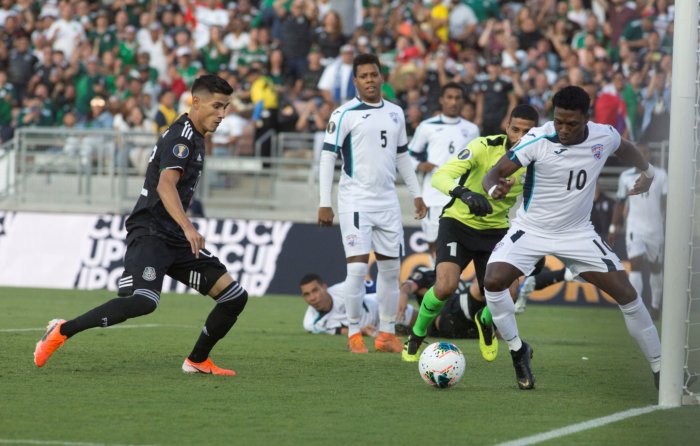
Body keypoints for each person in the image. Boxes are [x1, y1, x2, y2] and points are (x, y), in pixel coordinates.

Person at [34, 75, 248, 376]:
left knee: (234, 297)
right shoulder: (182, 138)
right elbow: (165, 185)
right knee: (144, 302)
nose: (223, 115)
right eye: (217, 106)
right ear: (196, 102)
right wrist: (188, 227)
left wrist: (181, 229)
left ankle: (197, 360)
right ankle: (62, 330)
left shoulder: (195, 133)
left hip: (172, 235)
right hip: (151, 232)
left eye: (226, 107)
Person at [482, 85, 661, 390]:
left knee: (627, 294)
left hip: (578, 233)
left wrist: (648, 171)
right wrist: (492, 189)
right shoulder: (538, 139)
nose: (563, 129)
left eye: (572, 124)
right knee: (493, 281)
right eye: (559, 121)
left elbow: (626, 147)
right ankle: (517, 351)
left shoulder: (603, 135)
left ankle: (661, 370)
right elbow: (495, 172)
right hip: (531, 230)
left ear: (586, 118)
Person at [402, 104, 539, 364]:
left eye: (528, 131)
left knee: (509, 294)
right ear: (506, 127)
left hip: (497, 230)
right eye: (515, 129)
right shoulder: (483, 147)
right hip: (458, 222)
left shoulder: (537, 160)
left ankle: (484, 321)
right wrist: (465, 193)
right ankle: (417, 335)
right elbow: (441, 176)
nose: (520, 137)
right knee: (445, 286)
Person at [318, 53, 427, 354]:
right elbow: (328, 157)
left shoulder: (395, 113)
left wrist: (416, 192)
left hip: (388, 202)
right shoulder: (344, 114)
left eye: (373, 75)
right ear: (355, 81)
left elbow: (403, 155)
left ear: (382, 77)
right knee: (356, 271)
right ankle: (354, 332)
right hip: (355, 201)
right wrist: (324, 201)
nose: (369, 80)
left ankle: (386, 334)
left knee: (391, 272)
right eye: (363, 76)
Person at [409, 82, 480, 260]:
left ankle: (450, 281)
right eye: (449, 97)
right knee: (433, 242)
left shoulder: (471, 130)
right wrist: (420, 165)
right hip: (434, 195)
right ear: (441, 100)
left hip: (461, 197)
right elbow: (408, 156)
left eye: (457, 98)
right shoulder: (426, 126)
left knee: (458, 245)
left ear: (463, 101)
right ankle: (436, 278)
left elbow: (479, 161)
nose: (453, 102)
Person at [610, 143, 668, 320]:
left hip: (655, 229)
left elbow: (665, 202)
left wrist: (665, 224)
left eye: (645, 152)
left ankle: (656, 306)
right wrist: (613, 227)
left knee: (656, 268)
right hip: (634, 228)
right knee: (635, 264)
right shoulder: (625, 177)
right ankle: (638, 309)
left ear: (650, 155)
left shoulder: (661, 175)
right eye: (639, 152)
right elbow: (620, 203)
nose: (642, 154)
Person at [300, 273, 416, 336]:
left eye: (315, 291)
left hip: (380, 308)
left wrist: (397, 296)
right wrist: (361, 331)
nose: (312, 298)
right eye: (307, 294)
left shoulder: (344, 289)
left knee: (427, 323)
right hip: (371, 330)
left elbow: (376, 287)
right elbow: (337, 331)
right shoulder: (310, 322)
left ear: (324, 287)